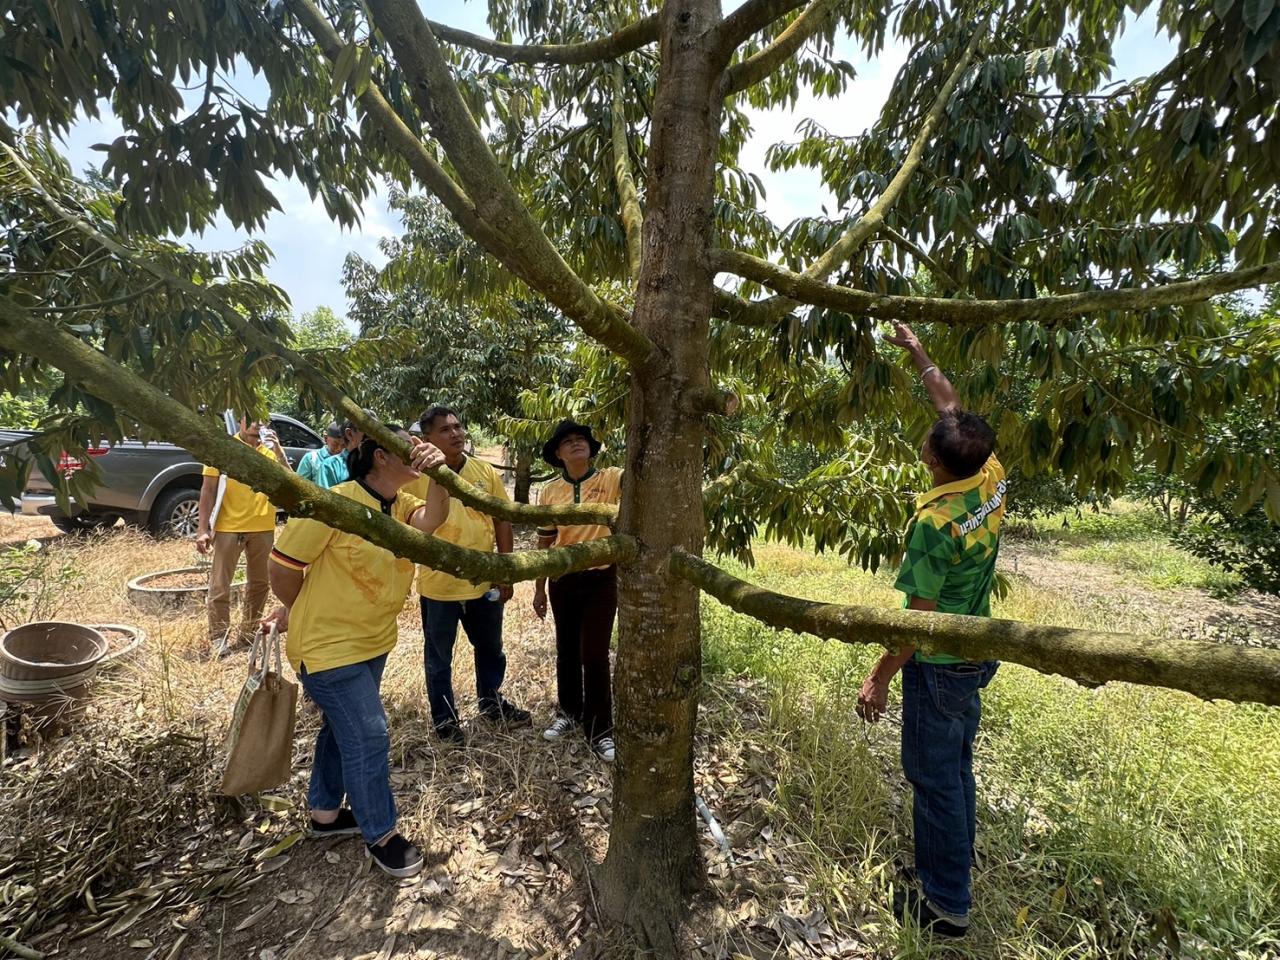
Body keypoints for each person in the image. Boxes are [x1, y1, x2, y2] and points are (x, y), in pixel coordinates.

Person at [856, 321, 1006, 938]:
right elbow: (951, 405)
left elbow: (915, 621)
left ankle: (946, 906)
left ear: (937, 462)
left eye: (929, 447)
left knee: (935, 778)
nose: (926, 444)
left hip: (940, 664)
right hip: (975, 652)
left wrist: (878, 678)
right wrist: (918, 353)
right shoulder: (988, 475)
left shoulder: (937, 521)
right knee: (958, 768)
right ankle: (953, 868)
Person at [262, 427, 451, 879]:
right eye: (408, 444)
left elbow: (433, 521)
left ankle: (324, 814)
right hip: (327, 645)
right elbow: (282, 567)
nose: (417, 450)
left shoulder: (402, 505)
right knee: (369, 734)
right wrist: (299, 607)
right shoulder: (334, 503)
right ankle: (381, 833)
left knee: (340, 727)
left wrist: (440, 475)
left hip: (373, 640)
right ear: (381, 456)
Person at [406, 407, 530, 744]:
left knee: (491, 648)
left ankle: (491, 704)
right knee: (439, 659)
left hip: (483, 580)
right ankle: (446, 722)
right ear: (427, 437)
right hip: (438, 585)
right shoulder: (416, 477)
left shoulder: (483, 471)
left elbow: (502, 519)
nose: (456, 434)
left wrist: (505, 570)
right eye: (445, 430)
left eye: (459, 426)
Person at [531, 420, 622, 762]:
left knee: (594, 655)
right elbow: (545, 540)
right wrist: (539, 588)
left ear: (590, 446)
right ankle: (569, 713)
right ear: (557, 453)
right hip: (563, 579)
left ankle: (600, 730)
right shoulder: (550, 491)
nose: (575, 444)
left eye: (580, 439)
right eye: (567, 441)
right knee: (567, 649)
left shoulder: (610, 479)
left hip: (601, 578)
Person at [196, 415, 292, 657]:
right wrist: (202, 529)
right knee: (220, 585)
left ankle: (249, 633)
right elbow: (207, 489)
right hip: (229, 527)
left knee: (260, 584)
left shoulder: (270, 451)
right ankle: (219, 637)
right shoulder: (222, 449)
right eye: (250, 420)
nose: (255, 426)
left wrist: (279, 451)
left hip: (263, 526)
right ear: (239, 421)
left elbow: (291, 482)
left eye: (260, 421)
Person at [297, 422, 350, 489]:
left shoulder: (349, 459)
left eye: (343, 445)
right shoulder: (311, 458)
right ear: (325, 438)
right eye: (335, 444)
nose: (339, 449)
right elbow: (301, 485)